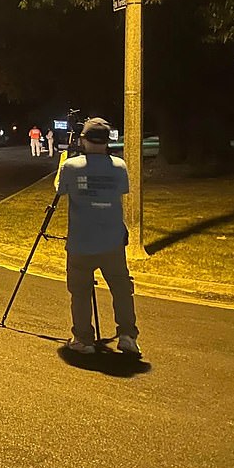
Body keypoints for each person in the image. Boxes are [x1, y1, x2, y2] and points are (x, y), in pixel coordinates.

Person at [55, 118, 141, 357]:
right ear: (107, 141)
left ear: (83, 139)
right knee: (121, 288)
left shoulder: (71, 166)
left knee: (80, 292)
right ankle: (127, 335)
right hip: (113, 241)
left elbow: (60, 190)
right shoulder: (119, 166)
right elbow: (123, 190)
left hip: (81, 241)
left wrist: (64, 160)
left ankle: (83, 339)